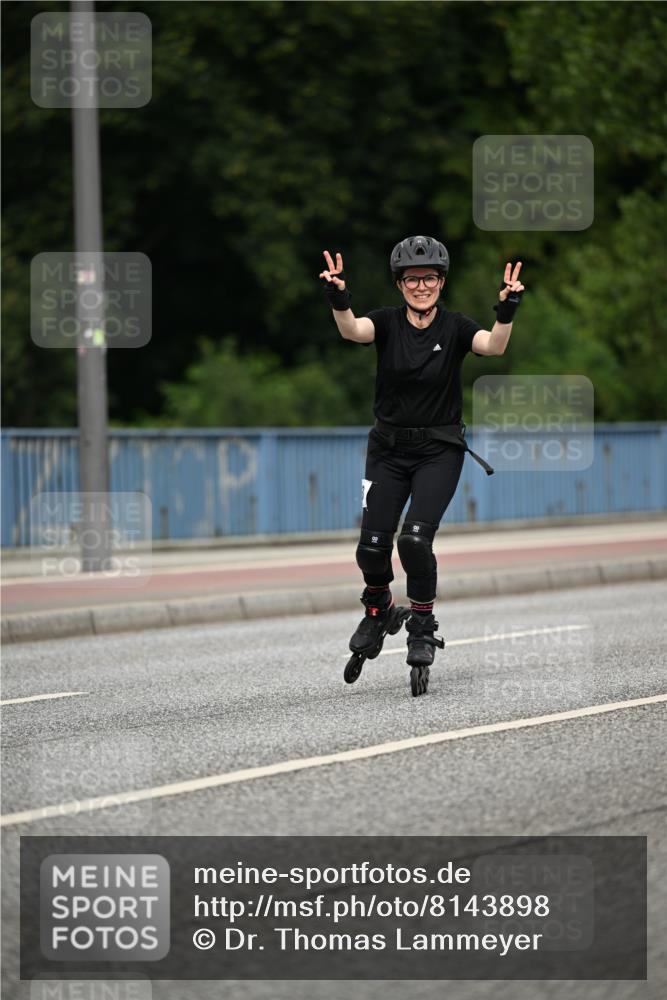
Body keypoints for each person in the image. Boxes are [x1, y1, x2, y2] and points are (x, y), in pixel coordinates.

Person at [319, 235, 525, 692]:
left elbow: (492, 346)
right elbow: (353, 331)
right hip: (388, 452)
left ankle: (421, 625)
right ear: (399, 285)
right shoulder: (388, 323)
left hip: (438, 451)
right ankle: (378, 609)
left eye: (429, 277)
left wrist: (506, 309)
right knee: (371, 547)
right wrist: (338, 298)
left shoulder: (453, 327)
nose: (421, 286)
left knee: (413, 541)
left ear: (441, 281)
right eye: (412, 279)